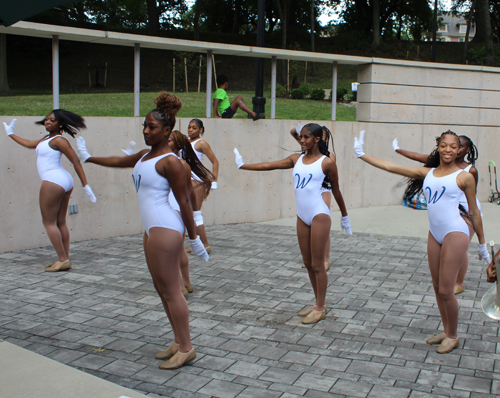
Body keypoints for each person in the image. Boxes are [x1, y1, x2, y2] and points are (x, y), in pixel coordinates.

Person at [76, 92, 208, 370]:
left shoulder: (171, 161)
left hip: (165, 227)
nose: (146, 131)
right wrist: (89, 158)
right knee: (161, 289)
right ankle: (177, 341)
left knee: (172, 290)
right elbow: (117, 161)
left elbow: (184, 200)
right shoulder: (145, 156)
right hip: (151, 228)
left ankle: (187, 348)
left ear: (167, 131)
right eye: (145, 126)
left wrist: (194, 238)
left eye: (152, 127)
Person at [354, 129, 490, 353]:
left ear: (459, 151)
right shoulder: (427, 173)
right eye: (444, 145)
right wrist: (362, 154)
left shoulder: (464, 176)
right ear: (438, 147)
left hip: (454, 232)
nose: (448, 150)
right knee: (437, 288)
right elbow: (390, 166)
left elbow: (474, 212)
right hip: (434, 233)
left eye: (453, 147)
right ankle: (446, 331)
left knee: (446, 290)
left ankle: (453, 335)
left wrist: (482, 244)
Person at [234, 123, 351, 324]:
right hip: (302, 215)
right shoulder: (296, 159)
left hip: (319, 214)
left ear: (316, 139)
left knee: (317, 264)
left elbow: (337, 191)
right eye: (301, 137)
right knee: (307, 263)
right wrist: (243, 165)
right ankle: (317, 303)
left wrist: (344, 216)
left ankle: (321, 308)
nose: (302, 140)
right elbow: (270, 165)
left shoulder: (326, 163)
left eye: (306, 137)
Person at [3, 112, 96, 272]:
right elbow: (29, 144)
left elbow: (76, 161)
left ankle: (62, 259)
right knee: (60, 222)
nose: (47, 122)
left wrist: (86, 185)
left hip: (54, 180)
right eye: (47, 119)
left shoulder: (59, 140)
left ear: (60, 124)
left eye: (52, 120)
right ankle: (64, 258)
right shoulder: (47, 139)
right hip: (61, 180)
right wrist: (11, 134)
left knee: (48, 222)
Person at [392, 135, 480, 295]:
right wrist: (398, 150)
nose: (457, 149)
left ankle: (459, 282)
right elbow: (418, 157)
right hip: (449, 210)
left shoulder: (470, 170)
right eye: (456, 146)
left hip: (465, 210)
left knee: (462, 244)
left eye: (460, 147)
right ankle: (449, 278)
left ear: (467, 149)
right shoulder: (441, 163)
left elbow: (471, 195)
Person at [168, 129, 214, 295]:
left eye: (169, 140)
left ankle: (181, 284)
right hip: (170, 207)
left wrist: (195, 214)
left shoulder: (179, 163)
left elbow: (188, 192)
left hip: (174, 208)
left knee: (174, 249)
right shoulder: (171, 161)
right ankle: (185, 283)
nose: (165, 142)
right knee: (178, 248)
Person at [290, 123, 338, 271]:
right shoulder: (308, 147)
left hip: (323, 190)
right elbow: (293, 132)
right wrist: (299, 129)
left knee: (321, 221)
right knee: (309, 225)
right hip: (309, 190)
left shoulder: (329, 156)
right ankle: (311, 258)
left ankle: (325, 259)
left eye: (323, 137)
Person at [187, 119, 218, 252]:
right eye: (189, 127)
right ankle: (197, 244)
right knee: (187, 213)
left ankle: (205, 245)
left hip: (197, 181)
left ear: (200, 130)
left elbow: (215, 161)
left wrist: (214, 180)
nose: (190, 130)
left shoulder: (201, 143)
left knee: (195, 213)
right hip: (186, 180)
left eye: (194, 128)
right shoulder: (186, 142)